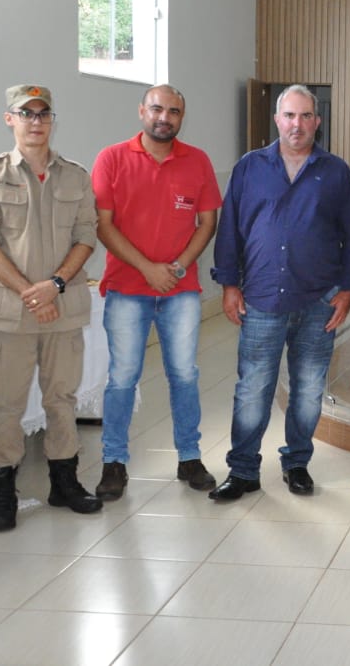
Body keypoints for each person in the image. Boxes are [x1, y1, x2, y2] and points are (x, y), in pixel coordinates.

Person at [208, 84, 350, 501]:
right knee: (252, 389)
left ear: (317, 121)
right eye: (290, 116)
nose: (298, 124)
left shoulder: (335, 172)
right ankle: (242, 470)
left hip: (320, 301)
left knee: (309, 390)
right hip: (261, 298)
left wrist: (348, 290)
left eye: (306, 116)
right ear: (277, 120)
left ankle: (297, 463)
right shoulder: (249, 168)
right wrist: (228, 284)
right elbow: (230, 231)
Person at [0, 84, 103, 531]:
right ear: (10, 119)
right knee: (5, 404)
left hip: (62, 306)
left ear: (52, 120)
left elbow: (86, 235)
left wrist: (56, 285)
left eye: (44, 113)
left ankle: (63, 482)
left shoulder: (75, 176)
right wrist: (31, 291)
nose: (36, 121)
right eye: (26, 113)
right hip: (9, 311)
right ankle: (2, 489)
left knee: (61, 398)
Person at [91, 84, 222, 500]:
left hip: (181, 289)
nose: (164, 117)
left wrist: (178, 267)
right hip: (128, 288)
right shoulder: (111, 158)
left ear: (182, 117)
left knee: (184, 374)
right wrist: (148, 269)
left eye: (174, 111)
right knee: (123, 378)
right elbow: (103, 224)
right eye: (157, 109)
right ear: (142, 111)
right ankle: (114, 462)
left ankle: (189, 456)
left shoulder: (197, 161)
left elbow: (207, 223)